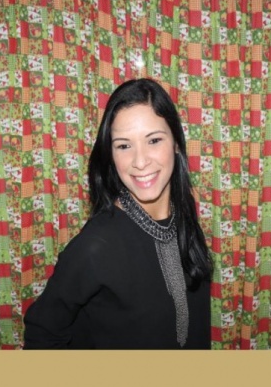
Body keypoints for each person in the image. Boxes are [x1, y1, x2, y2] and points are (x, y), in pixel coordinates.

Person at [23, 79, 212, 348]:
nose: (140, 161)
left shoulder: (184, 216)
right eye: (124, 146)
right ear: (111, 155)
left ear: (176, 144)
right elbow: (41, 337)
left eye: (154, 140)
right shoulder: (95, 247)